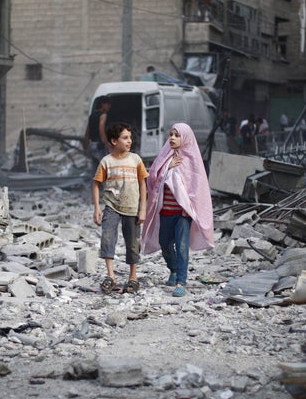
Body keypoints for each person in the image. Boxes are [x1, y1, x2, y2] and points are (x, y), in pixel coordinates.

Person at [141, 123, 214, 297]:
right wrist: (168, 167)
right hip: (165, 211)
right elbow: (152, 179)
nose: (172, 138)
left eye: (177, 135)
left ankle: (181, 281)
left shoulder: (192, 160)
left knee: (181, 247)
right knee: (164, 243)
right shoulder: (165, 157)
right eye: (171, 135)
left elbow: (198, 187)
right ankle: (173, 270)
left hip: (182, 213)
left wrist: (189, 209)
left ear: (186, 138)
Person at [92, 122, 149, 294]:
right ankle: (111, 276)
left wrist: (143, 209)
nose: (129, 141)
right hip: (111, 206)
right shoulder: (106, 162)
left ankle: (133, 277)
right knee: (107, 239)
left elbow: (143, 184)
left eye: (130, 138)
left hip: (132, 208)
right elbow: (96, 184)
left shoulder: (136, 160)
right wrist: (96, 208)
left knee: (132, 243)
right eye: (125, 138)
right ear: (114, 141)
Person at [84, 96, 112, 168]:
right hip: (99, 146)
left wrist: (86, 146)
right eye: (108, 104)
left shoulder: (92, 116)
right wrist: (107, 145)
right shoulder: (103, 115)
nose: (109, 106)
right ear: (103, 104)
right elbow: (101, 131)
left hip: (92, 144)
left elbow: (87, 132)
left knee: (95, 168)